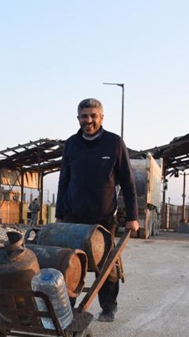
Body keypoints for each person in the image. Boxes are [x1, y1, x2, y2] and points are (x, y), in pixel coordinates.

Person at [55, 98, 139, 322]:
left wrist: (133, 217)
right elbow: (64, 180)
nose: (89, 120)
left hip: (103, 218)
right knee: (70, 264)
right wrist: (59, 214)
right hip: (73, 216)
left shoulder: (114, 143)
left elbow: (128, 183)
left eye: (93, 116)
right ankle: (68, 308)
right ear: (78, 118)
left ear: (101, 117)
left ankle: (108, 307)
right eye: (84, 116)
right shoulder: (72, 144)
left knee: (106, 266)